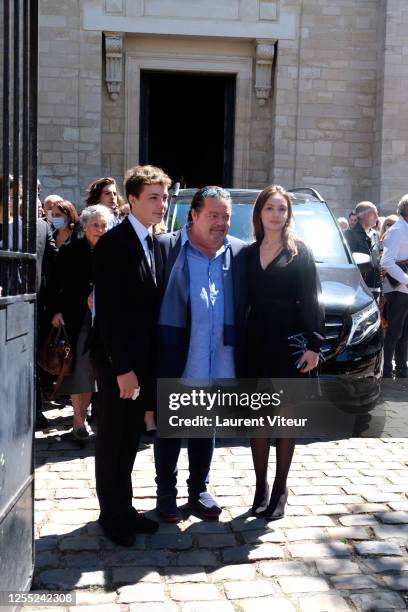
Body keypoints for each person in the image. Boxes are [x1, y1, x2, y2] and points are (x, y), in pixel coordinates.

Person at [154, 186, 248, 523]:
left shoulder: (239, 253)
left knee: (203, 425)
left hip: (219, 356)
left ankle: (199, 490)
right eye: (214, 215)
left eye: (226, 217)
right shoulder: (167, 248)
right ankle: (165, 494)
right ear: (193, 215)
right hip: (177, 353)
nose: (221, 223)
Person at [91, 164, 171, 546]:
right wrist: (122, 368)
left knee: (130, 439)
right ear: (133, 199)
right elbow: (107, 313)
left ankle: (124, 508)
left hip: (142, 362)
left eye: (165, 197)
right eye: (153, 197)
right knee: (112, 438)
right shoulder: (114, 242)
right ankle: (111, 516)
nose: (162, 204)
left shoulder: (154, 242)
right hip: (116, 364)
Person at [246, 185, 324, 519]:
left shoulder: (299, 252)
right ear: (259, 213)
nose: (276, 215)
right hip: (256, 341)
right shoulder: (247, 254)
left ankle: (280, 487)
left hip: (289, 343)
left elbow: (311, 298)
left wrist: (315, 345)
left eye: (282, 209)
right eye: (270, 209)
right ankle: (261, 486)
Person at [50, 205, 113, 440]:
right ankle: (79, 421)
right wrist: (56, 311)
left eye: (104, 225)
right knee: (81, 370)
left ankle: (84, 418)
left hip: (105, 319)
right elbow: (55, 283)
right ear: (85, 226)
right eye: (95, 225)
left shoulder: (113, 251)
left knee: (96, 372)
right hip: (78, 318)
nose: (100, 229)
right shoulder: (71, 250)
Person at [381, 195, 408, 378]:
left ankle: (402, 369)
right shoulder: (397, 230)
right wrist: (406, 279)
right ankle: (386, 370)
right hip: (398, 289)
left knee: (404, 333)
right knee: (394, 333)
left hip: (404, 289)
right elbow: (386, 261)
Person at [344, 201, 381, 300]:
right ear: (362, 215)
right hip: (358, 290)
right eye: (374, 213)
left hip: (375, 289)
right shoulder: (349, 235)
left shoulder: (375, 235)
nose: (377, 217)